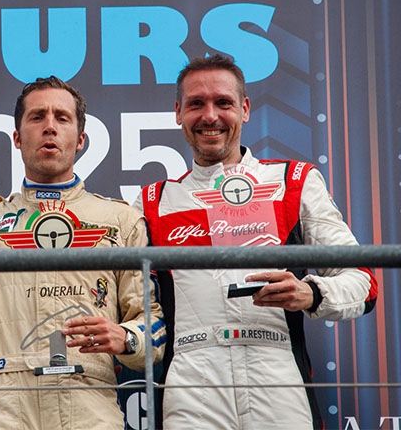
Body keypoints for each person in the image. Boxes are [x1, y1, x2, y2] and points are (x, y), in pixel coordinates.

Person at [135, 54, 378, 429]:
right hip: (191, 374)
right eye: (196, 104)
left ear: (245, 109)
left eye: (223, 103)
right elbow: (132, 302)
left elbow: (364, 283)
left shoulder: (294, 181)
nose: (210, 116)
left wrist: (310, 292)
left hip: (276, 368)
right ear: (178, 112)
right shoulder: (153, 201)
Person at [0, 76, 166, 429]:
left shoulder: (121, 221)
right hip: (4, 407)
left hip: (89, 404)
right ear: (17, 138)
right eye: (37, 117)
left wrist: (125, 338)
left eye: (62, 118)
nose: (50, 127)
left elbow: (153, 327)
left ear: (80, 139)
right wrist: (7, 360)